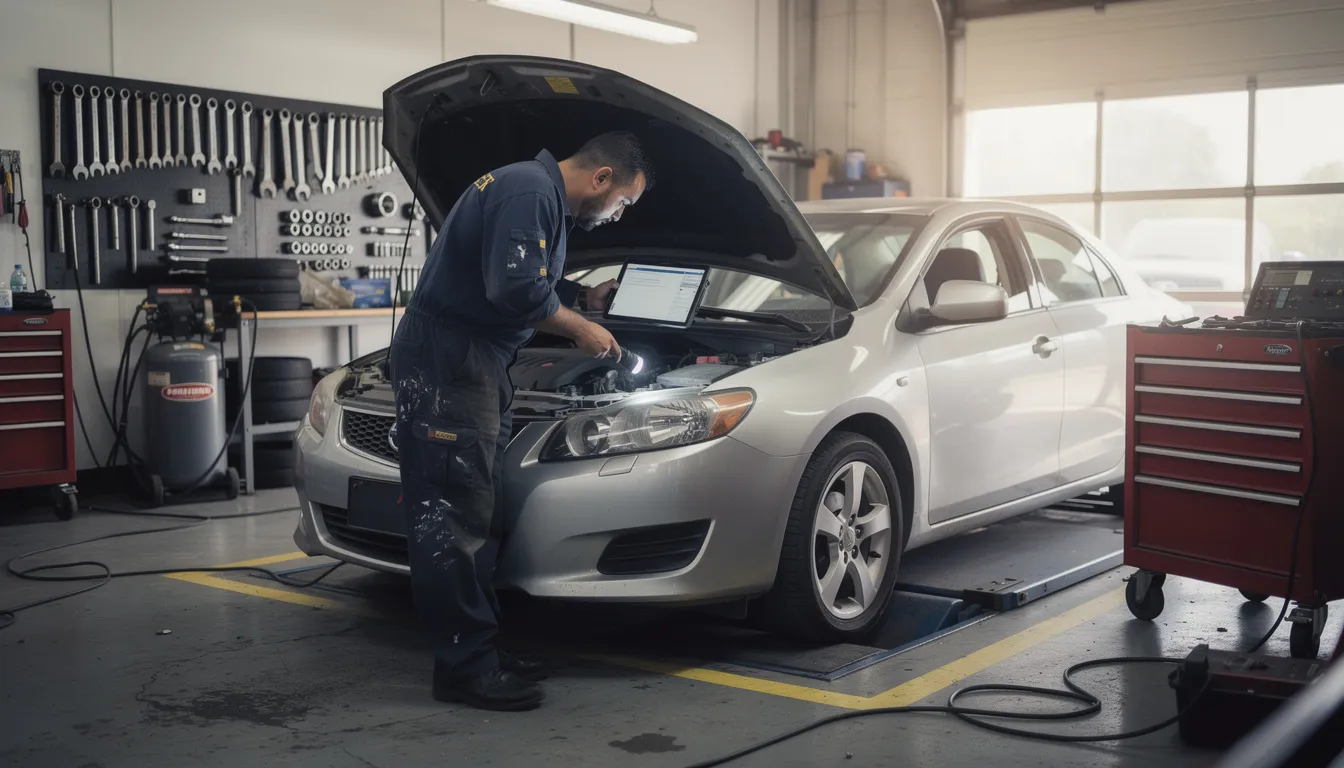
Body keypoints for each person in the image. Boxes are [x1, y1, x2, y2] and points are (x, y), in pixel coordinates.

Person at [388, 131, 654, 712]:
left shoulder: (533, 191)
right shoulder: (530, 191)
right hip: (451, 361)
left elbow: (526, 275)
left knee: (476, 511)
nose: (618, 216)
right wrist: (581, 328)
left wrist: (582, 297)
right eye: (623, 204)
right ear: (602, 178)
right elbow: (512, 288)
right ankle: (463, 669)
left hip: (475, 360)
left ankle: (481, 648)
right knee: (452, 518)